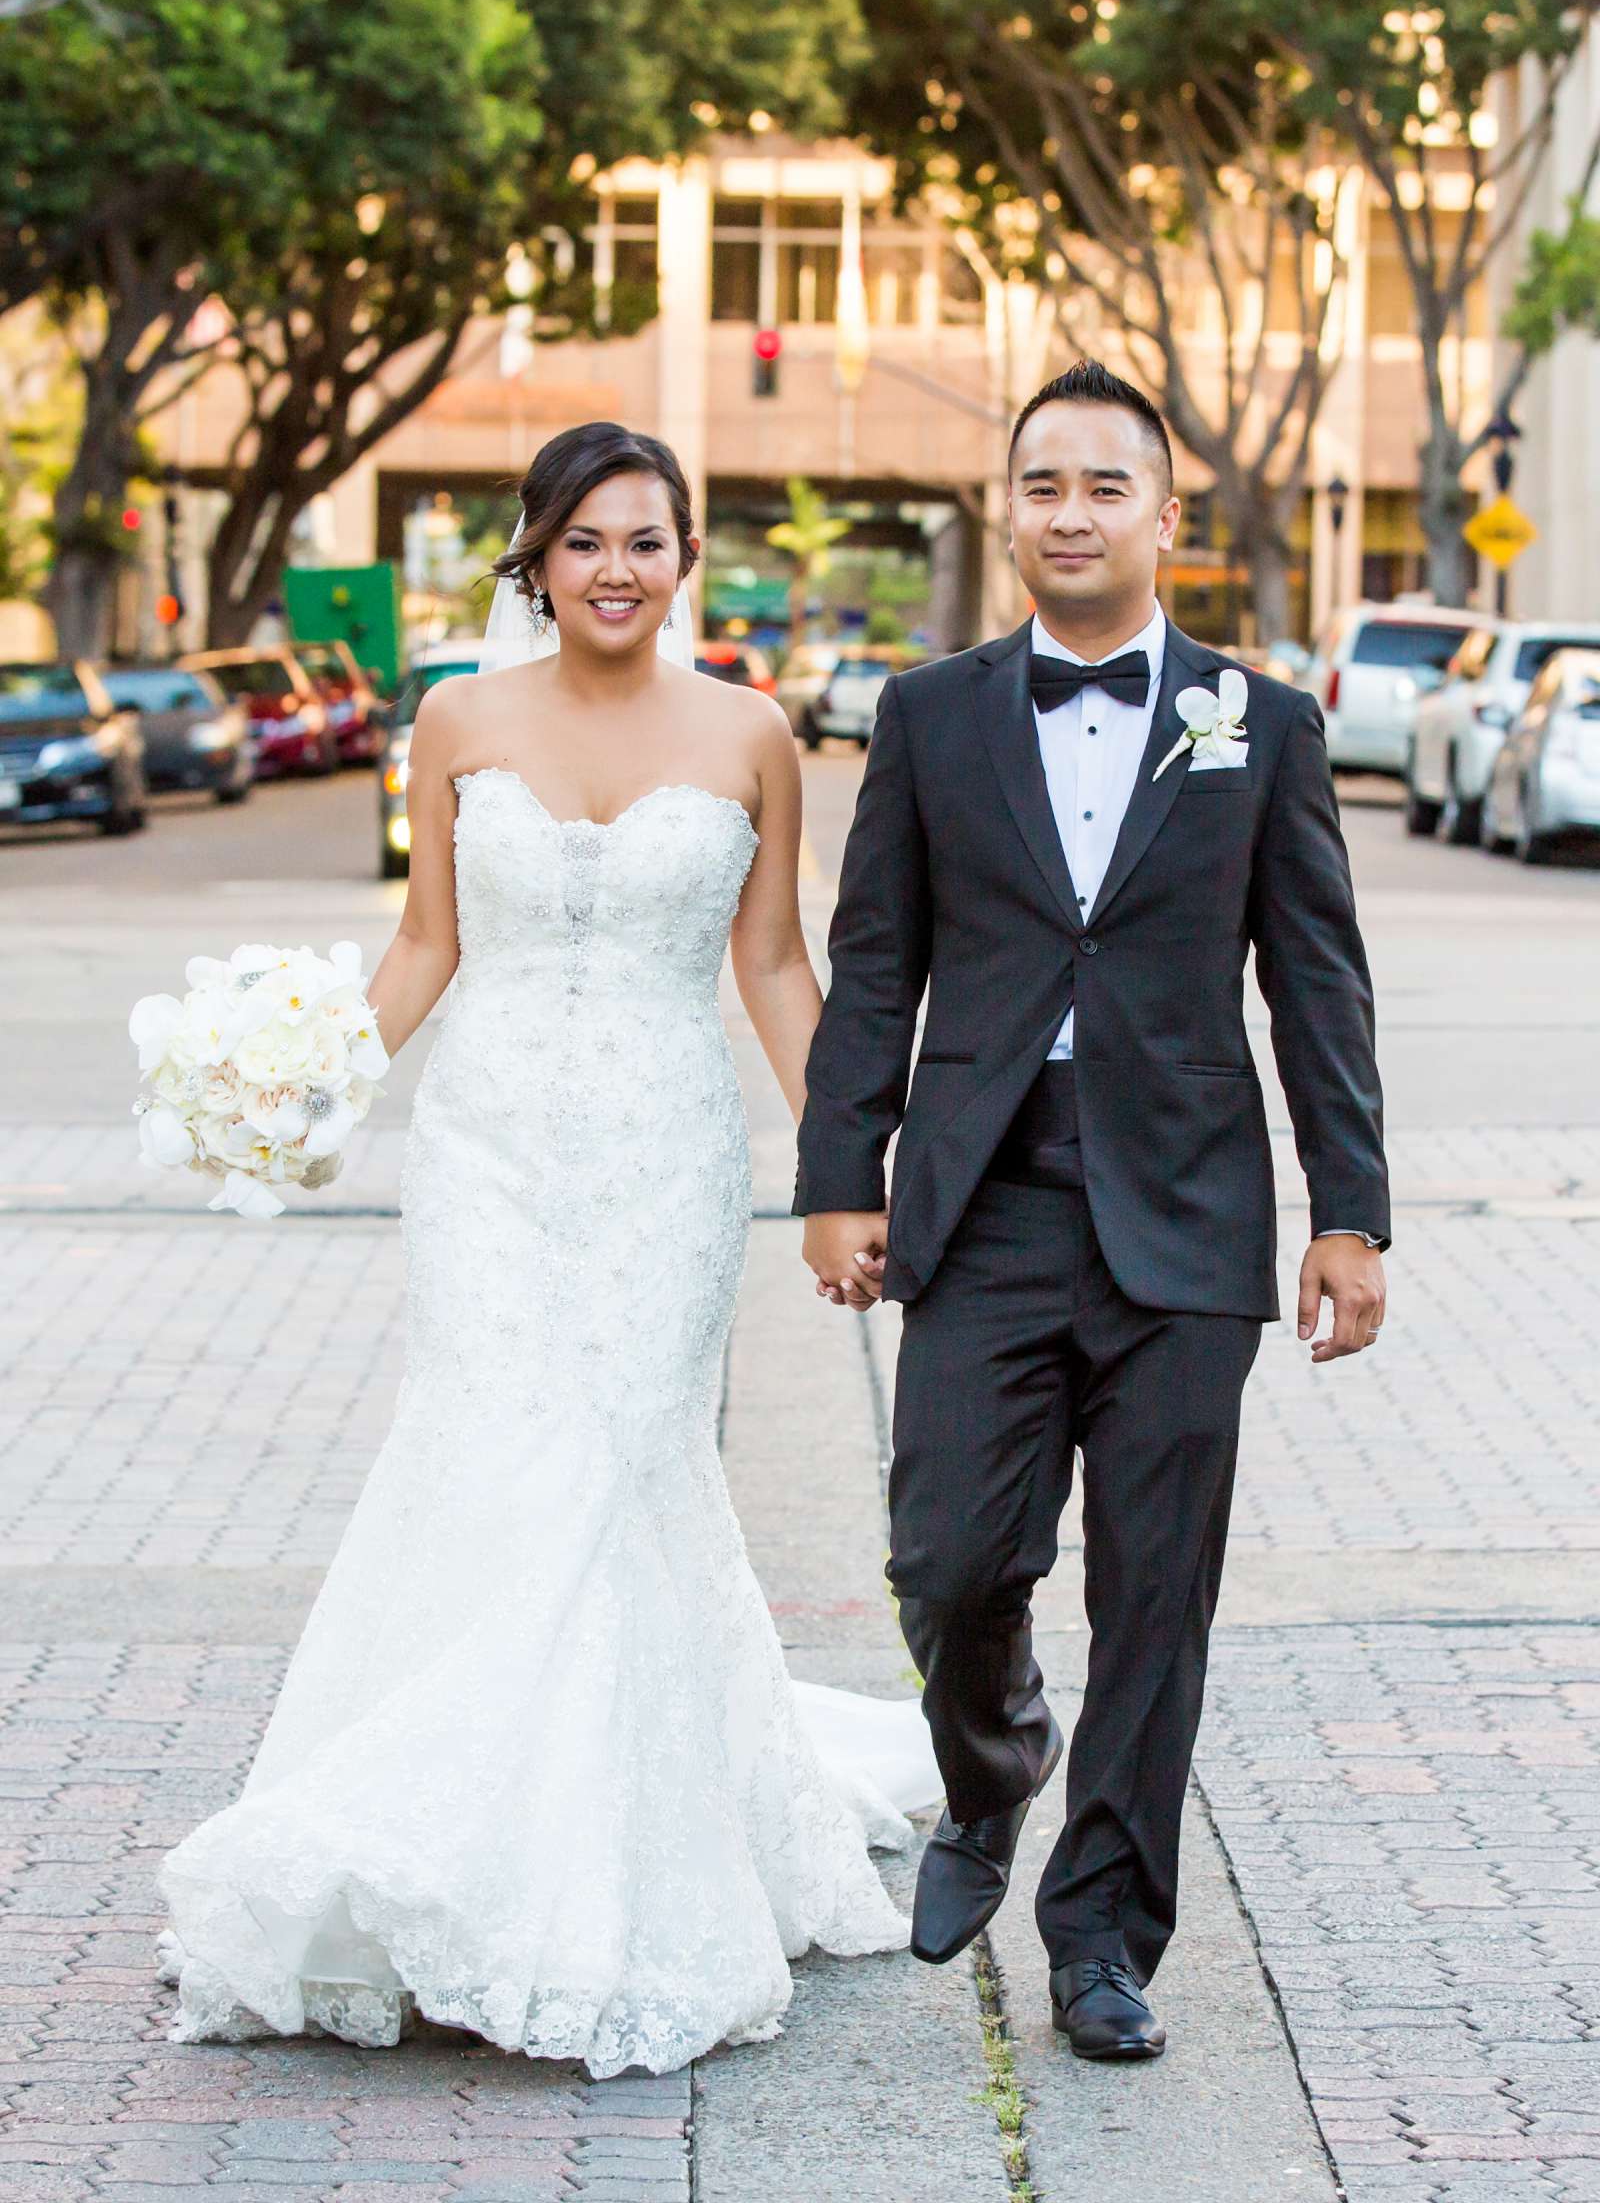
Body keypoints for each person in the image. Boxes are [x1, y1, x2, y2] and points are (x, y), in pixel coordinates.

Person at [153, 423, 938, 2080]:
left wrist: (853, 1166)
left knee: (617, 1464)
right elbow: (426, 944)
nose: (615, 571)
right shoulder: (456, 718)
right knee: (490, 1454)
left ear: (685, 558)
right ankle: (446, 1854)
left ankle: (584, 1877)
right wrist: (297, 1097)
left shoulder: (749, 733)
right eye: (584, 541)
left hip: (663, 1159)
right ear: (536, 553)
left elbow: (778, 970)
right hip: (489, 1155)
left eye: (647, 541)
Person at [797, 359, 1389, 2063]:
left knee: (1158, 1593)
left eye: (1103, 486)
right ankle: (993, 1762)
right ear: (1011, 510)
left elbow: (1318, 981)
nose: (1070, 512)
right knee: (947, 1555)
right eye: (1041, 484)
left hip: (1190, 1218)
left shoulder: (1259, 724)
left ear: (1165, 518)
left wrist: (1351, 1210)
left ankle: (1103, 1937)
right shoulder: (929, 714)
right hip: (981, 1207)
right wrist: (844, 1174)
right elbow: (877, 965)